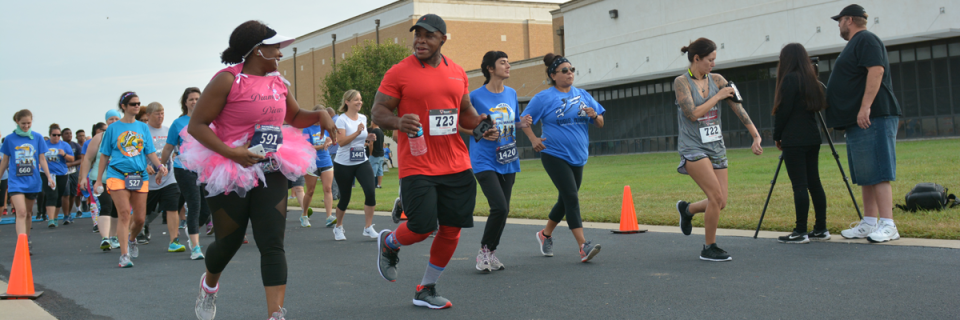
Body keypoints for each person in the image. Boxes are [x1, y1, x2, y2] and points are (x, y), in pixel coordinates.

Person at [185, 20, 334, 320]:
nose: (280, 53)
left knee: (272, 242)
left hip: (272, 166)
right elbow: (196, 125)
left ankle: (275, 315)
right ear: (257, 50)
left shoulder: (278, 81)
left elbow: (295, 116)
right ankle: (209, 285)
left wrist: (320, 114)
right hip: (230, 166)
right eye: (275, 47)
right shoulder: (227, 80)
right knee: (228, 242)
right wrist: (233, 153)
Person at [372, 13, 492, 309]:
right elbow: (378, 111)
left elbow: (464, 111)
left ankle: (426, 288)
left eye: (428, 35)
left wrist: (479, 122)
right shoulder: (399, 72)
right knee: (421, 228)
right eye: (417, 35)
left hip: (456, 162)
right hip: (418, 162)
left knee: (451, 229)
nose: (420, 41)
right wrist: (398, 121)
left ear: (443, 39)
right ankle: (389, 243)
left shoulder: (458, 72)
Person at [673, 38, 763, 262]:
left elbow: (738, 107)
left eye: (715, 59)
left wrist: (755, 135)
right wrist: (718, 96)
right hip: (693, 146)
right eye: (710, 60)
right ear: (697, 58)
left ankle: (687, 210)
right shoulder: (681, 82)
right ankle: (709, 247)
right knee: (714, 196)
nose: (713, 64)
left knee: (721, 202)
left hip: (716, 146)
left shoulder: (718, 80)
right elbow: (693, 114)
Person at [824, 5, 902, 243]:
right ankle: (869, 222)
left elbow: (876, 71)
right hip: (859, 120)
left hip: (874, 115)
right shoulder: (855, 44)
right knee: (866, 174)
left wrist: (865, 106)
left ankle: (888, 224)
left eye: (840, 21)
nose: (839, 25)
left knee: (878, 170)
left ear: (849, 20)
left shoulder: (866, 39)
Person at [520, 53, 604, 263]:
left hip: (578, 155)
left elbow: (601, 122)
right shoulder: (544, 97)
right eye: (564, 70)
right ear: (553, 75)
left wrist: (594, 115)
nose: (570, 73)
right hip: (553, 154)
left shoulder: (583, 95)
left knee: (565, 199)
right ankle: (583, 246)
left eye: (572, 70)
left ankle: (545, 234)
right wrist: (533, 139)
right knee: (571, 197)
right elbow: (523, 120)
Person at [459, 50, 527, 271]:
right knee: (499, 207)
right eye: (503, 62)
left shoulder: (512, 93)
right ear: (490, 68)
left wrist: (522, 123)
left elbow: (513, 122)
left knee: (504, 210)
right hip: (484, 159)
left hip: (508, 158)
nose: (508, 66)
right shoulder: (475, 96)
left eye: (508, 62)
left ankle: (491, 252)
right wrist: (480, 132)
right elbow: (460, 125)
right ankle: (483, 252)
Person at [93, 91, 168, 268]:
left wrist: (160, 166)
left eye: (138, 103)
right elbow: (104, 155)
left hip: (139, 175)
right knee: (124, 214)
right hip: (117, 174)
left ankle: (132, 239)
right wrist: (98, 180)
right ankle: (124, 255)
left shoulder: (143, 127)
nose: (137, 106)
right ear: (124, 106)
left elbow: (149, 151)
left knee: (140, 219)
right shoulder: (113, 129)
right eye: (133, 104)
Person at [772, 43, 829, 244]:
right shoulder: (811, 79)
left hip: (794, 138)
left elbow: (783, 111)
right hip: (812, 136)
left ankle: (800, 231)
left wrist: (777, 135)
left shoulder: (789, 79)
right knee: (814, 183)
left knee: (799, 185)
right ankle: (821, 228)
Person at [161, 87, 211, 260]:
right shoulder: (178, 123)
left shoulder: (208, 120)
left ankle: (192, 230)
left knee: (206, 210)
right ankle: (195, 247)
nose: (194, 102)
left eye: (197, 98)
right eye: (191, 99)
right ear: (185, 102)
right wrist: (161, 167)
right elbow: (168, 147)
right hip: (184, 168)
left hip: (205, 168)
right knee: (194, 204)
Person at [0, 109, 55, 254]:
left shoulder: (37, 137)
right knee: (21, 212)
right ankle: (21, 243)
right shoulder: (9, 139)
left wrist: (49, 177)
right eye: (23, 123)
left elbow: (42, 159)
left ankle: (27, 237)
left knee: (29, 213)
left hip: (32, 181)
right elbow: (5, 161)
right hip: (15, 182)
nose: (26, 126)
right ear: (17, 122)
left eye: (28, 123)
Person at [331, 89, 378, 241]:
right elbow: (341, 142)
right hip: (343, 164)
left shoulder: (363, 118)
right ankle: (338, 227)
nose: (360, 102)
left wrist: (369, 137)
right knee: (345, 197)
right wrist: (357, 133)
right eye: (356, 100)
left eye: (360, 99)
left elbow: (360, 138)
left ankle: (368, 227)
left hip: (361, 161)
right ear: (347, 102)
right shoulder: (341, 120)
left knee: (370, 192)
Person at [140, 102, 185, 252]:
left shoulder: (168, 130)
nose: (160, 116)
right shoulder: (143, 131)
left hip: (168, 178)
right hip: (148, 180)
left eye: (162, 113)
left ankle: (174, 241)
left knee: (172, 207)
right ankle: (137, 231)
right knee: (143, 212)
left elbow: (175, 150)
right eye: (157, 114)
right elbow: (136, 153)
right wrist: (144, 165)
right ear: (148, 115)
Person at [81, 115, 122, 250]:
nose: (113, 121)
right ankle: (105, 238)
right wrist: (83, 178)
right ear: (106, 121)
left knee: (116, 208)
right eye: (111, 119)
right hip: (100, 178)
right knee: (106, 205)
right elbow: (88, 158)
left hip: (119, 178)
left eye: (116, 119)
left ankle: (113, 236)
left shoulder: (125, 136)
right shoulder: (99, 137)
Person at [299, 104, 337, 228]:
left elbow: (333, 139)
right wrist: (323, 146)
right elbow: (307, 147)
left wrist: (330, 141)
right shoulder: (307, 129)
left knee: (328, 189)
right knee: (310, 191)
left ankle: (329, 217)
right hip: (311, 163)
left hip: (326, 161)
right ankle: (304, 215)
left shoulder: (326, 127)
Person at [41, 124, 75, 228]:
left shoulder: (65, 145)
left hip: (61, 173)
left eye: (58, 135)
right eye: (54, 135)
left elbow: (72, 159)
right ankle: (51, 219)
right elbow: (39, 157)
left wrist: (64, 154)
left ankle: (55, 217)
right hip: (47, 173)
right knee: (51, 195)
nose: (56, 137)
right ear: (50, 135)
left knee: (59, 196)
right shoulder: (44, 144)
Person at [61, 128, 83, 219]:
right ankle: (66, 214)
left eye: (70, 133)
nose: (69, 135)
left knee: (73, 193)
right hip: (62, 173)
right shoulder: (59, 145)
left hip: (73, 172)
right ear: (62, 135)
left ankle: (69, 212)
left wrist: (71, 164)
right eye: (66, 133)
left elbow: (81, 159)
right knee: (65, 194)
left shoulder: (75, 146)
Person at [325, 107, 341, 201]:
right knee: (339, 174)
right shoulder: (339, 119)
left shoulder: (332, 122)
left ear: (329, 114)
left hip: (333, 150)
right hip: (339, 150)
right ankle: (339, 194)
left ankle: (333, 194)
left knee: (332, 175)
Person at [367, 122, 385, 188]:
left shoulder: (374, 131)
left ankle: (372, 184)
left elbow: (371, 143)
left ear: (373, 123)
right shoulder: (381, 132)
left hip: (375, 154)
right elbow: (383, 143)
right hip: (381, 153)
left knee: (372, 170)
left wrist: (370, 153)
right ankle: (379, 185)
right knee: (380, 170)